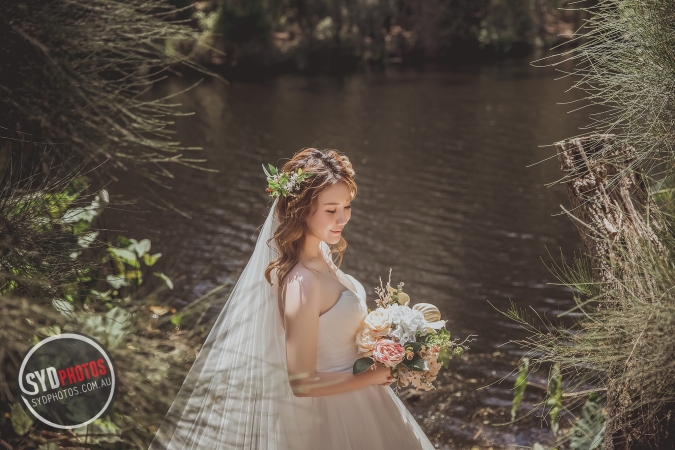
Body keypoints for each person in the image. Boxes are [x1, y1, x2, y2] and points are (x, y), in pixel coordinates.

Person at [148, 148, 434, 449]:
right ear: (302, 210)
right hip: (336, 415)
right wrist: (371, 377)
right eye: (331, 209)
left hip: (364, 398)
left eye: (347, 206)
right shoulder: (302, 283)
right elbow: (301, 382)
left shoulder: (322, 255)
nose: (343, 218)